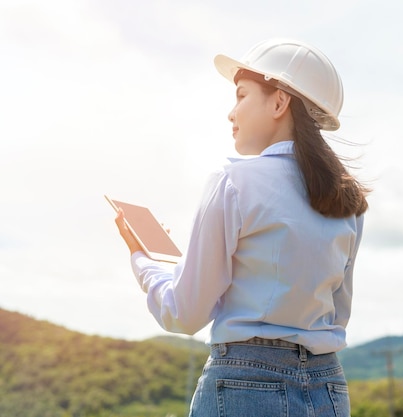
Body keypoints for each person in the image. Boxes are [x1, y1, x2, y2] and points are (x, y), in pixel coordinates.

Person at [113, 38, 368, 417]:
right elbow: (338, 314)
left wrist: (142, 258)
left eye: (242, 95)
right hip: (327, 386)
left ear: (279, 102)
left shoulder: (232, 181)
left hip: (244, 386)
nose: (231, 114)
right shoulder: (348, 200)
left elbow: (183, 313)